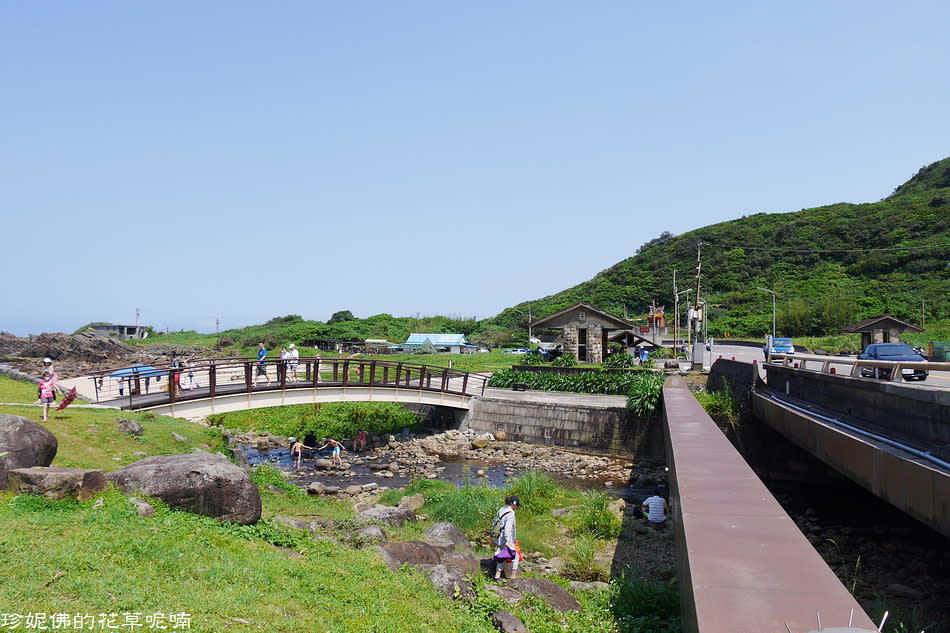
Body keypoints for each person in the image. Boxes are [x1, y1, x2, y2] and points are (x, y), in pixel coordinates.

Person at [492, 495, 520, 580]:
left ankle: (497, 576)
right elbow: (508, 529)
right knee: (516, 556)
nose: (517, 507)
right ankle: (513, 577)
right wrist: (508, 541)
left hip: (498, 538)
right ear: (514, 504)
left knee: (502, 556)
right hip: (506, 539)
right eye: (517, 505)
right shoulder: (511, 513)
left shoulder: (502, 509)